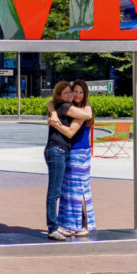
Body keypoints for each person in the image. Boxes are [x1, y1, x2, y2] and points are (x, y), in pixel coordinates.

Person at [55, 80, 96, 236]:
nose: (77, 95)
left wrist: (56, 123)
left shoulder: (84, 109)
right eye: (75, 91)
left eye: (80, 92)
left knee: (79, 189)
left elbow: (71, 132)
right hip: (75, 151)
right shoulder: (75, 108)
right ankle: (72, 224)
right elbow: (51, 103)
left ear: (85, 93)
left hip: (79, 152)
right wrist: (52, 110)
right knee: (72, 189)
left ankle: (83, 224)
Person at [43, 82, 75, 240]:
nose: (70, 95)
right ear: (59, 96)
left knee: (56, 191)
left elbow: (49, 103)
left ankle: (55, 225)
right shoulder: (63, 106)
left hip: (60, 151)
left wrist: (53, 113)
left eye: (71, 92)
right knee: (54, 192)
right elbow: (87, 115)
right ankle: (52, 228)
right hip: (57, 151)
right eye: (66, 93)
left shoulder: (57, 107)